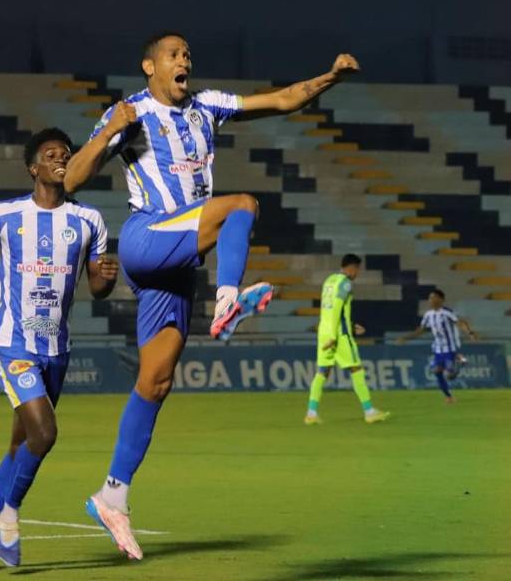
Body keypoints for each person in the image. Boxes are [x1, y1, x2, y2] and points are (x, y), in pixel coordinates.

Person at [63, 30, 361, 559]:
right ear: (149, 66)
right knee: (243, 204)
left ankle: (112, 495)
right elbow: (71, 181)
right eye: (174, 54)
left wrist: (332, 78)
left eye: (187, 54)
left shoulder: (207, 106)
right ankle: (228, 300)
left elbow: (284, 99)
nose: (185, 60)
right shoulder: (131, 113)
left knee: (156, 381)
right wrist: (109, 129)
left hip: (179, 261)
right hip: (146, 239)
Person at [0, 127, 119, 573]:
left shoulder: (90, 220)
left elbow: (97, 288)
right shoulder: (3, 215)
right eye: (51, 154)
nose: (61, 159)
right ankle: (7, 517)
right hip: (12, 342)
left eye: (66, 154)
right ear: (33, 168)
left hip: (56, 348)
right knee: (45, 433)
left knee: (21, 445)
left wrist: (107, 278)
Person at [304, 254, 390, 425]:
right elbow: (336, 308)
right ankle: (369, 412)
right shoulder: (345, 283)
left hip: (324, 331)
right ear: (351, 268)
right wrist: (334, 335)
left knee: (322, 372)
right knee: (356, 369)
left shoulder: (329, 281)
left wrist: (348, 326)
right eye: (357, 269)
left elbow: (328, 310)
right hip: (338, 335)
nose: (357, 273)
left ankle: (311, 413)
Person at [398, 288, 476, 403]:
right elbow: (421, 330)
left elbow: (460, 323)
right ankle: (448, 397)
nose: (430, 300)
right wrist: (406, 338)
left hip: (450, 347)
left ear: (441, 299)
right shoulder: (428, 315)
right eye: (429, 298)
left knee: (450, 375)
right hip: (438, 348)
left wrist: (469, 333)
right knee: (436, 371)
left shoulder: (447, 312)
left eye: (433, 297)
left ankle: (461, 362)